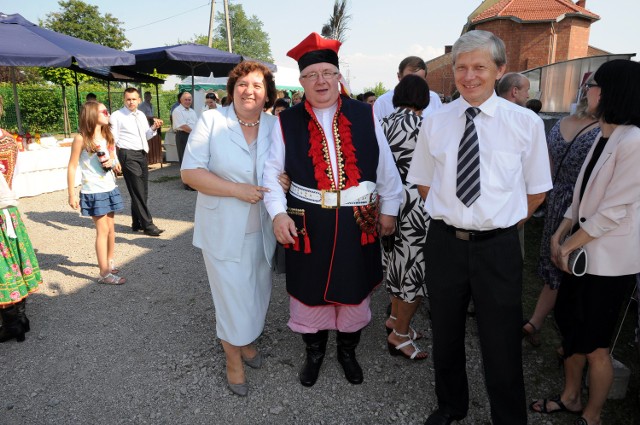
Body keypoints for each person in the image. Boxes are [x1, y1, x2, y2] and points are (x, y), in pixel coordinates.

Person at [407, 30, 552, 425]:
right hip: (445, 244)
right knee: (447, 331)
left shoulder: (524, 123)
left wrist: (497, 222)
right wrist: (455, 215)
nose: (469, 76)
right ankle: (452, 405)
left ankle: (508, 417)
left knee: (502, 339)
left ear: (500, 70)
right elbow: (423, 181)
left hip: (498, 247)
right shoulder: (434, 121)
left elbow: (537, 191)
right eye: (462, 67)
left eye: (479, 67)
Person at [263, 32, 403, 388]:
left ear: (339, 76)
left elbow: (386, 168)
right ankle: (314, 352)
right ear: (301, 81)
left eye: (327, 72)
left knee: (353, 284)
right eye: (312, 75)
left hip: (359, 222)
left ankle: (347, 351)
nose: (321, 81)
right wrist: (278, 213)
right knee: (310, 288)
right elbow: (271, 171)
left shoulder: (366, 114)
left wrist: (389, 209)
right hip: (308, 221)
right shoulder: (286, 121)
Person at [530, 59, 640, 425]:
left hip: (608, 263)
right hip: (581, 252)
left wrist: (568, 244)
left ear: (611, 91)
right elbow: (580, 198)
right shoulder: (604, 133)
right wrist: (560, 232)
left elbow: (612, 212)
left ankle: (592, 416)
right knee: (572, 330)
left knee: (596, 346)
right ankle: (571, 397)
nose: (586, 91)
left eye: (593, 85)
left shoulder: (634, 140)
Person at [181, 62, 279, 397]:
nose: (249, 90)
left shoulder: (274, 125)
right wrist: (237, 189)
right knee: (231, 298)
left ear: (268, 93)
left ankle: (247, 341)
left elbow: (282, 168)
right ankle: (233, 358)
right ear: (232, 88)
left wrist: (285, 179)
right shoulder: (212, 120)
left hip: (263, 228)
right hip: (222, 228)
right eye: (242, 84)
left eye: (257, 85)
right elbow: (190, 173)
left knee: (257, 293)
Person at [522, 79, 600, 347]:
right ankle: (569, 335)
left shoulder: (560, 124)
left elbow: (547, 164)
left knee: (553, 262)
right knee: (576, 266)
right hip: (584, 203)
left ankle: (536, 321)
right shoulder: (604, 131)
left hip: (556, 196)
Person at [380, 74, 431, 361]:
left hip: (387, 203)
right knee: (413, 269)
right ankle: (399, 334)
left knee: (393, 264)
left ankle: (396, 322)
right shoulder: (425, 127)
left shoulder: (382, 124)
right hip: (415, 205)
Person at [68, 101, 126, 284]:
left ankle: (109, 264)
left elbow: (116, 161)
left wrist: (115, 164)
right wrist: (71, 193)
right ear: (92, 115)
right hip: (93, 190)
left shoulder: (108, 136)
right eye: (104, 111)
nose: (107, 113)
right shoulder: (81, 139)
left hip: (110, 187)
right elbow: (72, 166)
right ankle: (104, 274)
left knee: (111, 229)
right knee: (102, 230)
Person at [0, 126, 43, 343]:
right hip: (8, 210)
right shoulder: (8, 139)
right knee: (13, 262)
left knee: (4, 268)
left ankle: (11, 324)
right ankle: (20, 317)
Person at [110, 88, 164, 237]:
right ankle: (148, 225)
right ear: (124, 100)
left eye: (134, 99)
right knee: (138, 190)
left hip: (141, 153)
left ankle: (137, 222)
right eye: (128, 99)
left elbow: (146, 135)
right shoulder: (117, 115)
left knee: (142, 190)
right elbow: (112, 139)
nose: (131, 102)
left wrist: (154, 127)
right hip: (127, 154)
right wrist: (114, 159)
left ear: (139, 100)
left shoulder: (140, 115)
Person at [374, 56, 442, 121]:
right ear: (399, 76)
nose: (414, 83)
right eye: (409, 78)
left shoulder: (434, 99)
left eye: (419, 79)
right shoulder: (382, 102)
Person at [172, 91, 198, 170]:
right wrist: (195, 133)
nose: (188, 101)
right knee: (184, 157)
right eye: (186, 99)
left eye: (189, 100)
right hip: (183, 136)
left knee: (192, 157)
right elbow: (183, 126)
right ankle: (185, 179)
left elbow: (197, 124)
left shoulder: (192, 111)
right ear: (181, 100)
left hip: (192, 135)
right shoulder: (177, 111)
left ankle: (192, 178)